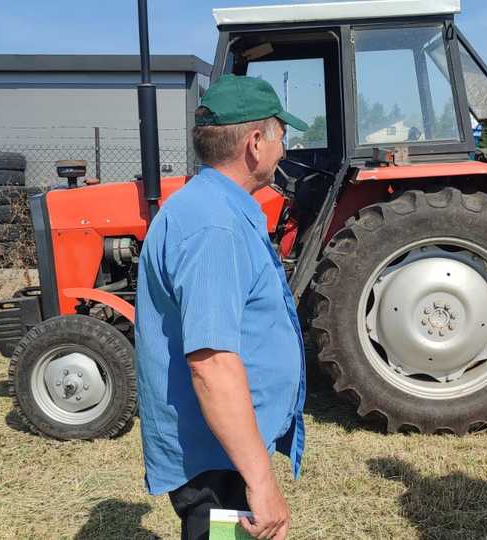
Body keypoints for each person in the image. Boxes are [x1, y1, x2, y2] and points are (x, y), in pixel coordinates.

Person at [135, 74, 309, 540]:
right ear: (255, 143)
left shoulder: (216, 208)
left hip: (226, 444)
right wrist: (261, 481)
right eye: (281, 136)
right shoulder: (214, 228)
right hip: (217, 457)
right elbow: (212, 365)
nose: (284, 150)